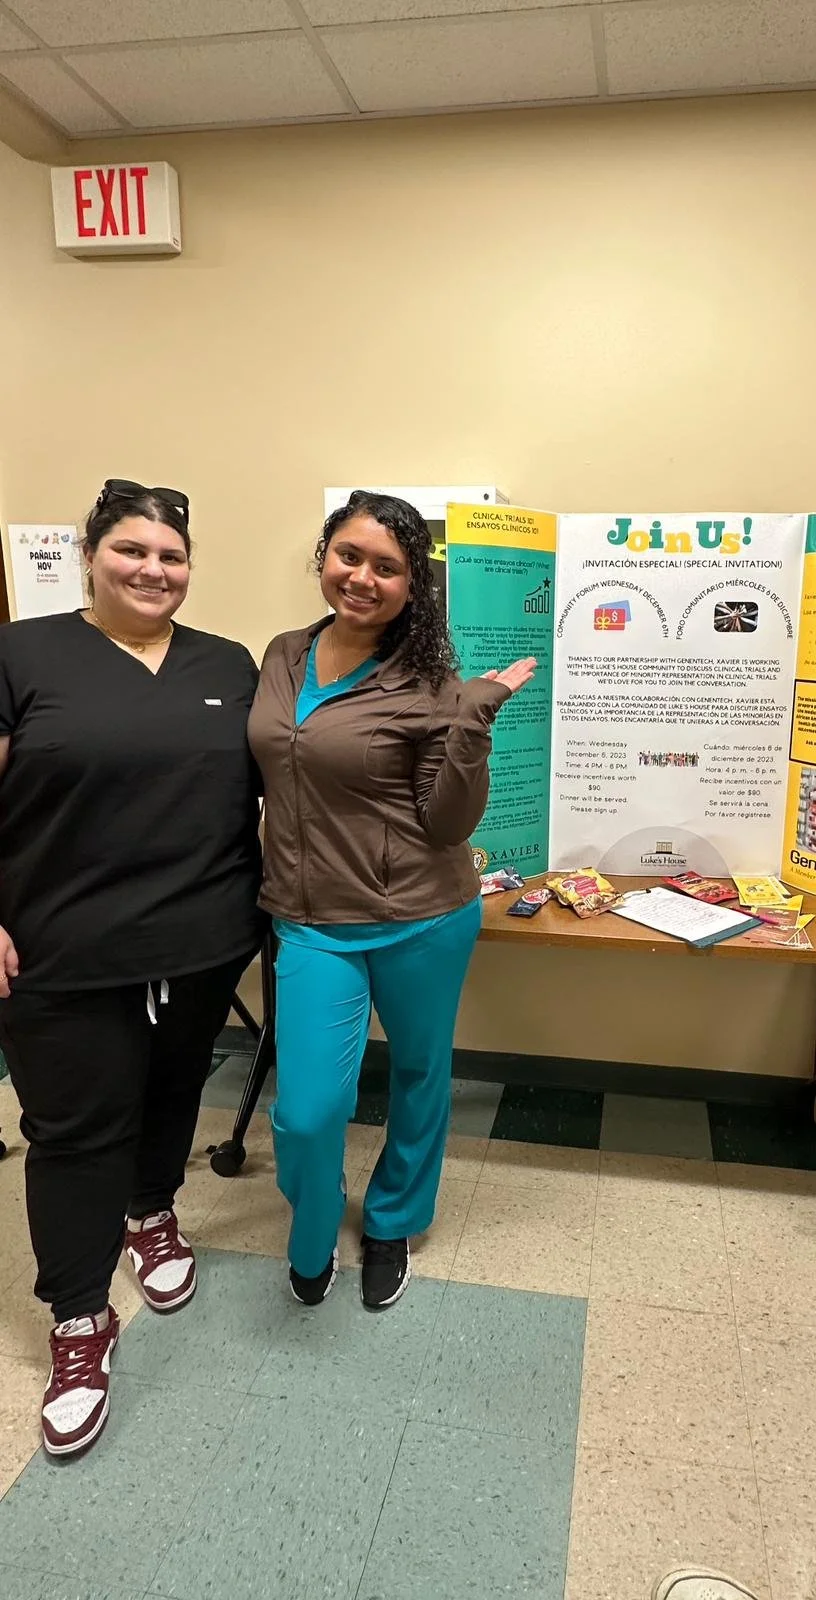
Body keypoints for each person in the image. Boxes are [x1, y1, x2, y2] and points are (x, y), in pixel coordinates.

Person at [0, 479, 264, 1458]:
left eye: (172, 556)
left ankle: (151, 1214)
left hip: (200, 942)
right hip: (62, 950)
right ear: (91, 555)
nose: (154, 569)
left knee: (169, 1096)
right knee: (72, 1131)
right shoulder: (23, 654)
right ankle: (79, 1320)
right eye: (133, 551)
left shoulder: (227, 665)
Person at [248, 491, 534, 1311]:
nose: (362, 577)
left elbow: (447, 822)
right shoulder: (282, 653)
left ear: (415, 585)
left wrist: (473, 722)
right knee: (308, 1110)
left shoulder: (427, 680)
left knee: (418, 1071)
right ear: (324, 557)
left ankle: (392, 1221)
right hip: (308, 922)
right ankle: (311, 1234)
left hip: (420, 915)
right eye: (349, 556)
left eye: (388, 567)